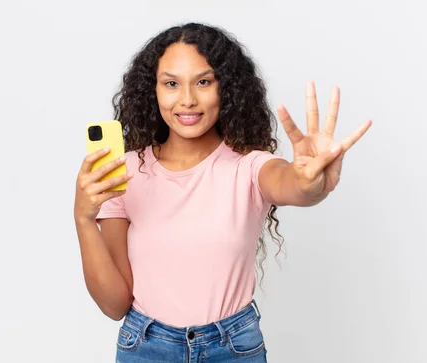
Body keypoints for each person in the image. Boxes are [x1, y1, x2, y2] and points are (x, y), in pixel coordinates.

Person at [73, 22, 371, 362]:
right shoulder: (123, 173)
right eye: (171, 83)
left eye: (203, 82)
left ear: (225, 88)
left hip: (232, 348)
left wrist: (310, 183)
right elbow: (114, 305)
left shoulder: (250, 166)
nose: (187, 99)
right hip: (146, 347)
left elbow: (291, 184)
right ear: (152, 91)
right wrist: (83, 219)